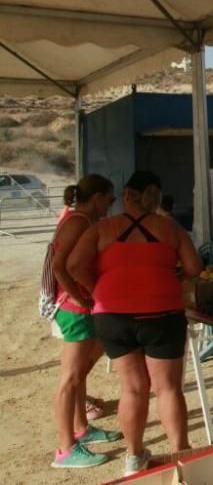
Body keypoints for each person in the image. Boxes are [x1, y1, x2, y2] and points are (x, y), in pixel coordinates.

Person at [66, 171, 203, 476]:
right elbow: (194, 267)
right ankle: (182, 455)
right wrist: (170, 274)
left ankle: (133, 457)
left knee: (132, 390)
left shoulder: (103, 227)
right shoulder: (169, 228)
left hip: (112, 316)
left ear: (127, 195)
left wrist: (95, 289)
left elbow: (74, 265)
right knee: (167, 389)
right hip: (162, 313)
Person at [44, 175, 121, 469]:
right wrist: (77, 296)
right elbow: (61, 265)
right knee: (70, 378)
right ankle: (65, 449)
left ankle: (81, 429)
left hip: (78, 308)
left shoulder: (79, 220)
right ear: (98, 197)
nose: (110, 206)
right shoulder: (79, 222)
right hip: (73, 310)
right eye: (110, 200)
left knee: (79, 374)